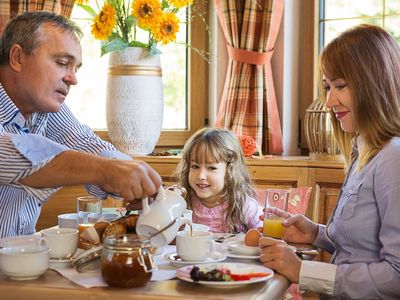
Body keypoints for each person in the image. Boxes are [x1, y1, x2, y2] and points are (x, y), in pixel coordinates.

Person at [258, 24, 400, 299]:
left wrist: (302, 272)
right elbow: (360, 249)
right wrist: (315, 233)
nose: (330, 100)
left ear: (374, 83)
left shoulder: (393, 158)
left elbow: (396, 275)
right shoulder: (365, 152)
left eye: (340, 86)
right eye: (327, 87)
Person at [0, 11, 162, 238]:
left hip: (20, 261)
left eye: (76, 68)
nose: (73, 79)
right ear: (17, 57)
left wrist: (136, 177)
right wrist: (107, 171)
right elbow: (17, 155)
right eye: (62, 63)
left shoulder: (43, 108)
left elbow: (86, 143)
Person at [175, 127, 262, 233]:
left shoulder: (244, 206)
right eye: (195, 166)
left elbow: (263, 236)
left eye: (211, 168)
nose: (201, 176)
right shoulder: (183, 202)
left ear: (229, 171)